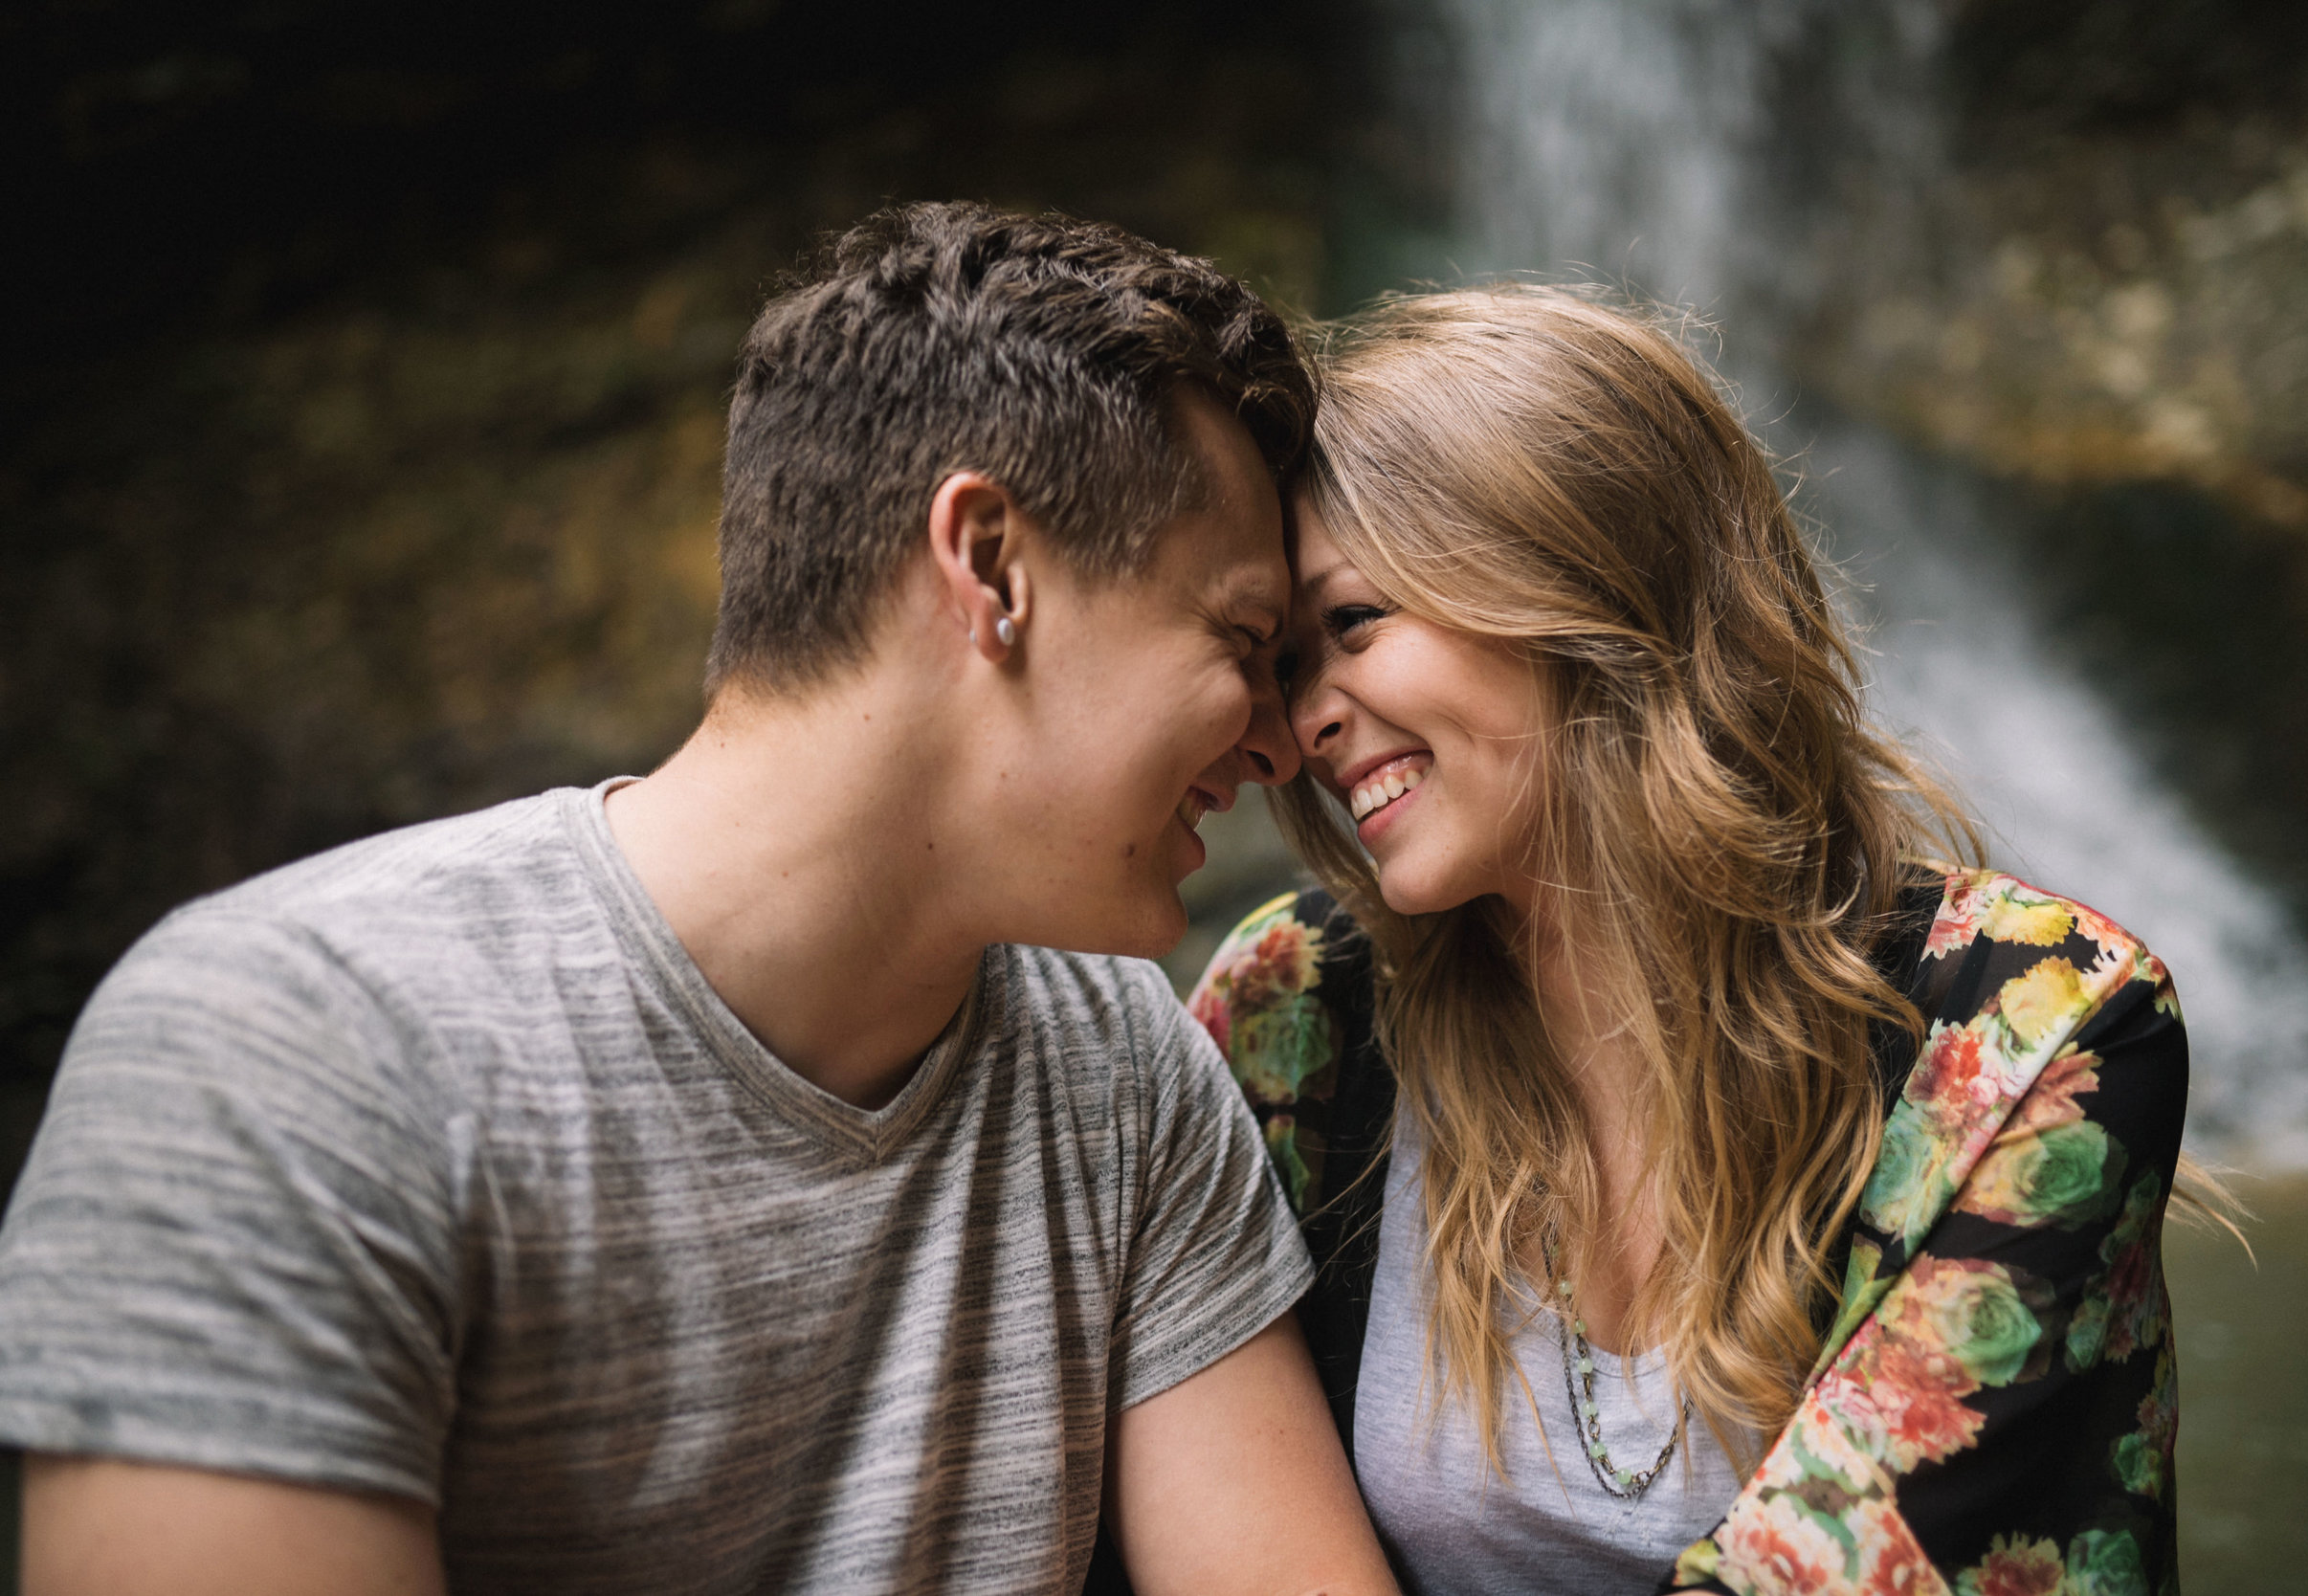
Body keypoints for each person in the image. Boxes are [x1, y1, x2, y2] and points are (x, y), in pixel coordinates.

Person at [0, 203, 1399, 1596]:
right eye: (1239, 639)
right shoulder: (283, 1054)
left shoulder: (1122, 1072)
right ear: (988, 566)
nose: (1282, 747)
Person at [1189, 284, 2220, 1596]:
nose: (1298, 727)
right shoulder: (1300, 1012)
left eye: (1351, 627)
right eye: (1282, 666)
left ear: (1585, 580)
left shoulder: (2038, 1028)